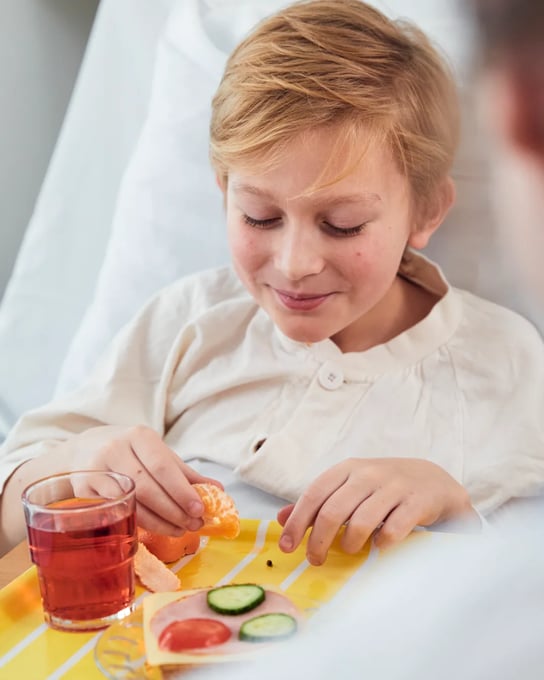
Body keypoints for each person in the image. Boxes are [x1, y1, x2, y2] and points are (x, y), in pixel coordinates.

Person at [1, 0, 544, 560]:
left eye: (342, 225)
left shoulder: (506, 364)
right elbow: (13, 504)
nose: (294, 263)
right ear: (224, 193)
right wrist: (73, 467)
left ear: (427, 211)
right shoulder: (188, 323)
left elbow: (520, 596)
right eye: (259, 217)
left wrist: (455, 510)